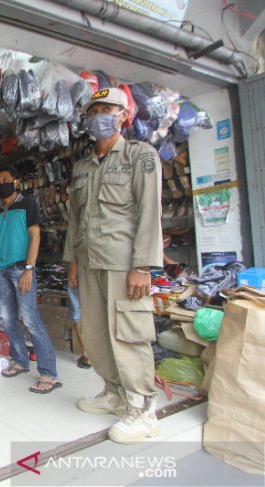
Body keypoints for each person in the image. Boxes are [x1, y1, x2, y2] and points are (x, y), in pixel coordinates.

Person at [64, 87, 163, 444]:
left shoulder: (141, 156)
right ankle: (113, 391)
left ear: (123, 115)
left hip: (124, 262)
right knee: (94, 331)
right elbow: (75, 218)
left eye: (108, 109)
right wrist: (72, 261)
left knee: (129, 332)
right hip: (89, 261)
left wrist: (143, 265)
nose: (100, 115)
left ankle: (142, 408)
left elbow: (150, 211)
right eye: (95, 110)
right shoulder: (83, 165)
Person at [0, 165, 61, 394]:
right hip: (1, 270)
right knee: (9, 320)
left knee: (31, 320)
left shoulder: (27, 204)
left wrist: (29, 268)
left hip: (20, 269)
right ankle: (20, 361)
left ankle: (49, 372)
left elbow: (35, 235)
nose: (2, 183)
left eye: (6, 179)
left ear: (17, 182)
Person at [67, 262, 91, 369]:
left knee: (77, 310)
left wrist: (73, 269)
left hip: (80, 265)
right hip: (104, 267)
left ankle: (87, 355)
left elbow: (74, 246)